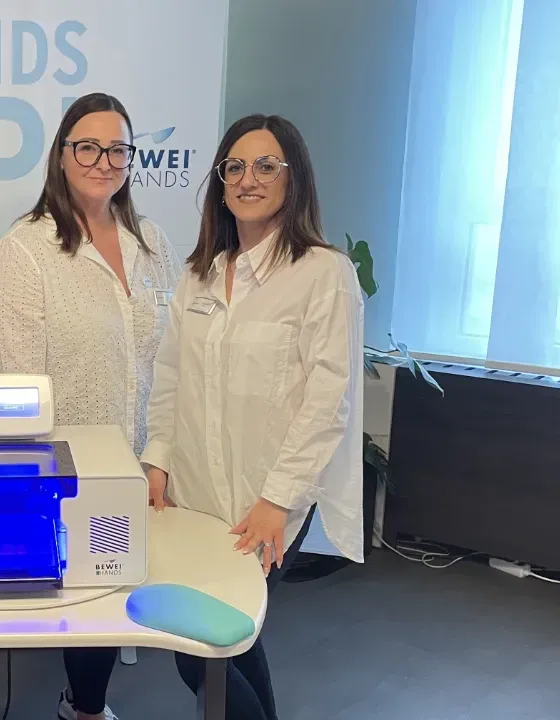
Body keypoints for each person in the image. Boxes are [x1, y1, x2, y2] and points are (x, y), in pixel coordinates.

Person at [141, 114, 365, 720]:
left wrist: (277, 498)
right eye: (235, 167)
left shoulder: (323, 274)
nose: (248, 179)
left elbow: (328, 399)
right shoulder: (200, 274)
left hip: (265, 504)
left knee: (201, 647)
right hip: (194, 493)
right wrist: (157, 458)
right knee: (232, 637)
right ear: (220, 183)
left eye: (267, 165)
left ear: (295, 179)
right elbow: (170, 375)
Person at [0, 92, 182, 720]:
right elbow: (17, 382)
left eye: (118, 149)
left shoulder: (152, 241)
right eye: (88, 147)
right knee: (91, 598)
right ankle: (83, 708)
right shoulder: (27, 249)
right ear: (62, 155)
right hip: (74, 466)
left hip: (149, 455)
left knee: (131, 591)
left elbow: (174, 357)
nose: (103, 161)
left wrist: (160, 452)